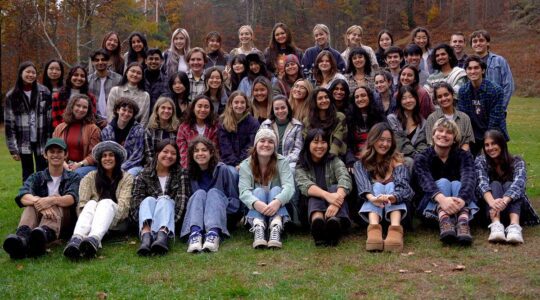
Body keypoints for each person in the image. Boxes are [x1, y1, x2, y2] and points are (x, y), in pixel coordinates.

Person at [2, 138, 80, 259]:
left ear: (66, 155)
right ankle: (22, 239)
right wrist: (39, 202)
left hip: (64, 221)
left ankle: (44, 235)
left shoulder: (73, 177)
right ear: (45, 155)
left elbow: (71, 198)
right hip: (38, 219)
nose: (55, 155)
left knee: (56, 201)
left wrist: (50, 200)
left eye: (59, 151)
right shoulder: (37, 176)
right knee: (30, 205)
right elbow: (23, 195)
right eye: (52, 151)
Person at [63, 141, 133, 259]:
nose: (107, 158)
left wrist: (102, 212)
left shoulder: (127, 178)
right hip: (89, 220)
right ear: (100, 160)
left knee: (105, 202)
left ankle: (93, 239)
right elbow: (81, 205)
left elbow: (124, 208)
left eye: (111, 155)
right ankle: (76, 239)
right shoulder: (90, 177)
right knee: (90, 203)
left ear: (117, 159)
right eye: (104, 156)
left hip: (117, 222)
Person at [414, 118, 478, 245]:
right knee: (443, 182)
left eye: (449, 132)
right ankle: (444, 220)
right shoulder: (421, 157)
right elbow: (425, 181)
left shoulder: (464, 155)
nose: (443, 134)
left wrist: (462, 200)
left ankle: (463, 222)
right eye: (440, 131)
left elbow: (469, 177)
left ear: (454, 138)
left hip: (460, 204)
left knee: (456, 183)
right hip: (430, 209)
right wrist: (442, 200)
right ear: (433, 135)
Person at [353, 123, 413, 252]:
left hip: (398, 214)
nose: (385, 144)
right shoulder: (360, 164)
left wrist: (392, 197)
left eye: (389, 141)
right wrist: (373, 198)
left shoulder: (397, 162)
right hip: (370, 214)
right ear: (373, 140)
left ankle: (395, 230)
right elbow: (363, 186)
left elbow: (405, 189)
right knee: (377, 186)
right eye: (381, 139)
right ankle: (374, 229)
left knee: (392, 185)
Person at [476, 130, 540, 244]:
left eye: (494, 143)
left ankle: (514, 227)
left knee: (509, 185)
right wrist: (493, 203)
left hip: (515, 209)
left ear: (501, 144)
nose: (490, 148)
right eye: (487, 145)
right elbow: (481, 183)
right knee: (494, 184)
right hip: (490, 209)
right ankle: (496, 225)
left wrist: (504, 201)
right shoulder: (480, 161)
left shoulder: (517, 161)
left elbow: (519, 183)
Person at [131, 140, 191, 256]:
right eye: (165, 152)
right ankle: (146, 237)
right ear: (157, 153)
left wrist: (170, 221)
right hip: (148, 219)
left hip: (170, 220)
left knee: (164, 199)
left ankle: (162, 237)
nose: (169, 156)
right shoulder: (143, 175)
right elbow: (135, 206)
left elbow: (182, 203)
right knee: (148, 200)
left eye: (173, 153)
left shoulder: (181, 173)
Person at [181, 137, 241, 253]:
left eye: (204, 150)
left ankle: (213, 235)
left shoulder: (222, 169)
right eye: (196, 151)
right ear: (192, 155)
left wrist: (218, 210)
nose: (200, 153)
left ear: (211, 153)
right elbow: (190, 202)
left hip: (220, 216)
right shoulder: (188, 173)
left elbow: (234, 201)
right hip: (198, 217)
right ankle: (195, 235)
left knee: (213, 192)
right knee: (199, 193)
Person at [238, 129, 294, 249]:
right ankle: (258, 228)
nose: (266, 144)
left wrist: (277, 201)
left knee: (277, 189)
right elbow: (244, 192)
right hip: (256, 209)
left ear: (274, 145)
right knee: (258, 191)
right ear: (256, 144)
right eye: (262, 141)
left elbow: (289, 187)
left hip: (277, 208)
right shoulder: (245, 165)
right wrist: (257, 204)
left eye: (270, 142)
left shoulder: (282, 162)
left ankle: (276, 226)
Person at [295, 128, 352, 246]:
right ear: (308, 144)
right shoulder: (301, 165)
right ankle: (318, 223)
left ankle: (334, 224)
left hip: (337, 210)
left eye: (323, 142)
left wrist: (336, 201)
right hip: (309, 210)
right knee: (314, 193)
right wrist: (328, 196)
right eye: (315, 142)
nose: (320, 146)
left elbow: (345, 177)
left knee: (335, 187)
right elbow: (305, 185)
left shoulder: (334, 160)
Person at [4, 61, 52, 182]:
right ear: (21, 73)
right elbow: (9, 124)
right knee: (27, 172)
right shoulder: (12, 95)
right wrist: (13, 149)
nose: (30, 75)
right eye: (28, 72)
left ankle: (42, 197)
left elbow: (49, 119)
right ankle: (28, 198)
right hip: (23, 141)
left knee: (43, 171)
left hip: (42, 141)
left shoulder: (44, 92)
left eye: (33, 72)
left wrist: (50, 141)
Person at [458, 55, 507, 156]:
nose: (473, 71)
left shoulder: (495, 90)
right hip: (473, 136)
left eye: (476, 68)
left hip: (493, 133)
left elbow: (495, 120)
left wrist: (487, 142)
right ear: (466, 71)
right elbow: (464, 118)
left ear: (483, 70)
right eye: (469, 68)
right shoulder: (463, 91)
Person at [52, 94, 101, 177]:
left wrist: (79, 164)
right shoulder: (60, 128)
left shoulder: (93, 129)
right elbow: (53, 150)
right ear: (72, 107)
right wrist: (64, 165)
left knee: (75, 174)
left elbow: (94, 154)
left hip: (86, 166)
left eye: (85, 107)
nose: (81, 109)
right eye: (78, 106)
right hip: (63, 164)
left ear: (88, 110)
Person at [469, 30, 514, 110]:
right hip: (476, 110)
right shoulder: (468, 63)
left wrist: (501, 107)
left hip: (496, 108)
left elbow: (508, 85)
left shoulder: (499, 61)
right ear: (472, 45)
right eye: (475, 41)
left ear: (488, 43)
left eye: (481, 40)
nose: (478, 43)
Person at [101, 97, 145, 176]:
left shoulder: (139, 130)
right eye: (124, 110)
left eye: (130, 112)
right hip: (111, 165)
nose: (126, 113)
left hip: (133, 166)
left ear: (133, 114)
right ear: (118, 110)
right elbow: (105, 153)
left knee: (128, 175)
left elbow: (137, 156)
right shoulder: (106, 131)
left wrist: (121, 168)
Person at [260, 95, 304, 171]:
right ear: (273, 110)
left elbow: (298, 149)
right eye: (276, 109)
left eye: (283, 108)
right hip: (268, 160)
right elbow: (260, 145)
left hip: (289, 162)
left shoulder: (297, 126)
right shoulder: (266, 125)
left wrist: (283, 161)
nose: (280, 111)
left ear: (288, 108)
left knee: (290, 169)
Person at [425, 83, 474, 150]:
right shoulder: (432, 118)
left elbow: (467, 143)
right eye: (439, 97)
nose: (444, 98)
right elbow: (431, 143)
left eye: (446, 95)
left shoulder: (464, 118)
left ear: (452, 95)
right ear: (436, 100)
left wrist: (460, 158)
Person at [346, 86, 386, 167]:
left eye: (363, 95)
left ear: (369, 97)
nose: (360, 99)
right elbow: (348, 144)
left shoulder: (379, 115)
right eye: (356, 97)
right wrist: (351, 160)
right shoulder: (350, 117)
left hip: (377, 155)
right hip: (357, 158)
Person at [218, 91, 259, 168]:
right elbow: (225, 147)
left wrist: (241, 163)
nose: (239, 105)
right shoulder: (223, 122)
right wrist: (235, 164)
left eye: (242, 102)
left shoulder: (253, 123)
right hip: (228, 162)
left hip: (247, 162)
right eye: (236, 102)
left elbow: (250, 146)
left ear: (246, 104)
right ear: (231, 104)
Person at [177, 95, 219, 169]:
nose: (202, 110)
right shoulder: (184, 127)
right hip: (190, 166)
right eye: (199, 106)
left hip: (210, 166)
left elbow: (215, 150)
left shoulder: (214, 127)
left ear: (210, 109)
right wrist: (188, 169)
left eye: (206, 107)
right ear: (193, 108)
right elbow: (183, 153)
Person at [387, 85, 428, 161]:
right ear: (400, 101)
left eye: (411, 97)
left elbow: (422, 144)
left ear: (416, 99)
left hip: (417, 158)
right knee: (409, 161)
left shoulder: (423, 122)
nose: (408, 100)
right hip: (396, 156)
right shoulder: (392, 119)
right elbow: (399, 141)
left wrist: (419, 157)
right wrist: (416, 156)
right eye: (404, 98)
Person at [305, 88, 348, 158]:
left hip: (335, 155)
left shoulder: (339, 117)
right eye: (320, 98)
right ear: (314, 102)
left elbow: (338, 140)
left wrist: (330, 158)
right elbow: (308, 142)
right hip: (314, 156)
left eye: (326, 97)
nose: (324, 100)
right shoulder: (307, 121)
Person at [107, 63, 151, 127]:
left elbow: (144, 120)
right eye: (132, 71)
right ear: (126, 73)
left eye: (138, 73)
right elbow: (110, 114)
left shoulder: (145, 96)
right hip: (115, 128)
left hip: (136, 131)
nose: (135, 75)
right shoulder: (115, 91)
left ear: (142, 77)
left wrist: (138, 133)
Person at [88, 49, 123, 123]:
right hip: (92, 121)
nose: (100, 62)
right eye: (97, 60)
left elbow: (121, 103)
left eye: (103, 60)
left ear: (108, 61)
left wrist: (110, 120)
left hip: (114, 121)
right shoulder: (88, 80)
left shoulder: (118, 79)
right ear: (92, 62)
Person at [144, 97, 180, 166]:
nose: (166, 111)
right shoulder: (149, 130)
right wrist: (156, 168)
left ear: (173, 112)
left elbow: (179, 153)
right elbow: (149, 155)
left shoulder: (177, 130)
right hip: (154, 166)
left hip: (174, 166)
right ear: (157, 110)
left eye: (169, 108)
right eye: (163, 108)